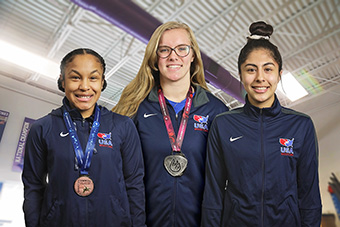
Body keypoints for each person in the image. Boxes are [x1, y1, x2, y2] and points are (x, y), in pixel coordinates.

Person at [201, 21, 322, 226]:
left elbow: (309, 197)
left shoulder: (301, 126)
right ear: (240, 75)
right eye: (251, 70)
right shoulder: (223, 125)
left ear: (279, 74)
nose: (260, 78)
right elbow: (213, 195)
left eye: (268, 69)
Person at [113, 21, 229, 226]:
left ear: (193, 55)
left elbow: (227, 181)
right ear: (154, 58)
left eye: (182, 49)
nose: (173, 56)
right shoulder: (134, 109)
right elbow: (117, 175)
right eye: (164, 50)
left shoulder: (216, 111)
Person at [22, 48, 146, 227]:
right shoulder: (42, 128)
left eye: (93, 78)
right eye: (75, 77)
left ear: (102, 82)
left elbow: (134, 184)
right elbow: (33, 187)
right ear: (62, 81)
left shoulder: (123, 126)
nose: (85, 86)